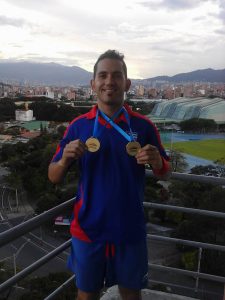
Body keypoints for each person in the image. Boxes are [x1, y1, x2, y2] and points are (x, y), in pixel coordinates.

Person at [48, 50, 171, 300]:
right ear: (93, 84)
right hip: (88, 230)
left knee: (130, 295)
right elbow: (53, 176)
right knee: (87, 295)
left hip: (130, 230)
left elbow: (165, 173)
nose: (109, 81)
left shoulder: (143, 126)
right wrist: (64, 159)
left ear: (127, 83)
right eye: (102, 75)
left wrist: (158, 161)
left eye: (117, 75)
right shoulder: (78, 126)